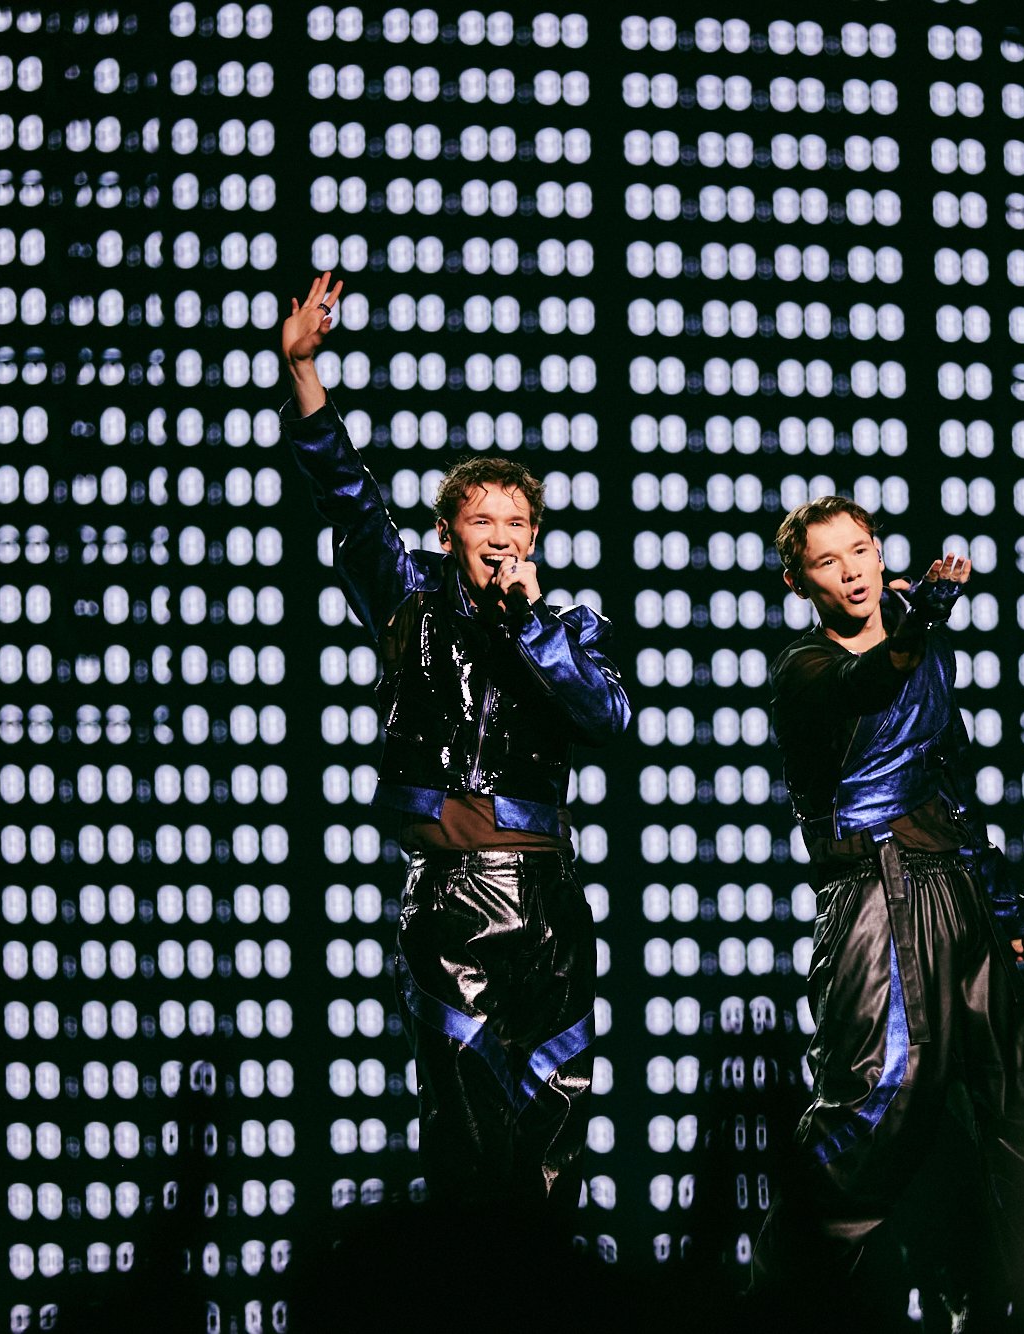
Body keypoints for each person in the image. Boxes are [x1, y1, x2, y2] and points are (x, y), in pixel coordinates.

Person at [277, 272, 632, 1249]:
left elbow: (607, 717)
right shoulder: (410, 602)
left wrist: (534, 627)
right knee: (468, 1119)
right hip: (452, 894)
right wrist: (304, 376)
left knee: (557, 1111)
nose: (502, 540)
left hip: (549, 897)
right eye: (484, 523)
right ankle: (471, 1291)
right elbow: (347, 498)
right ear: (448, 534)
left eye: (518, 526)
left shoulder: (567, 627)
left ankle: (552, 1293)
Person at [752, 496, 1024, 1329]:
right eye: (828, 561)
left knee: (1022, 1107)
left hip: (956, 890)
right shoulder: (803, 669)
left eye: (860, 550)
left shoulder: (922, 652)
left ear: (880, 555)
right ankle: (784, 1310)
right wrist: (921, 621)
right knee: (867, 1115)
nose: (851, 571)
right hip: (875, 903)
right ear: (799, 582)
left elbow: (948, 784)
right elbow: (864, 684)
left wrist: (1005, 903)